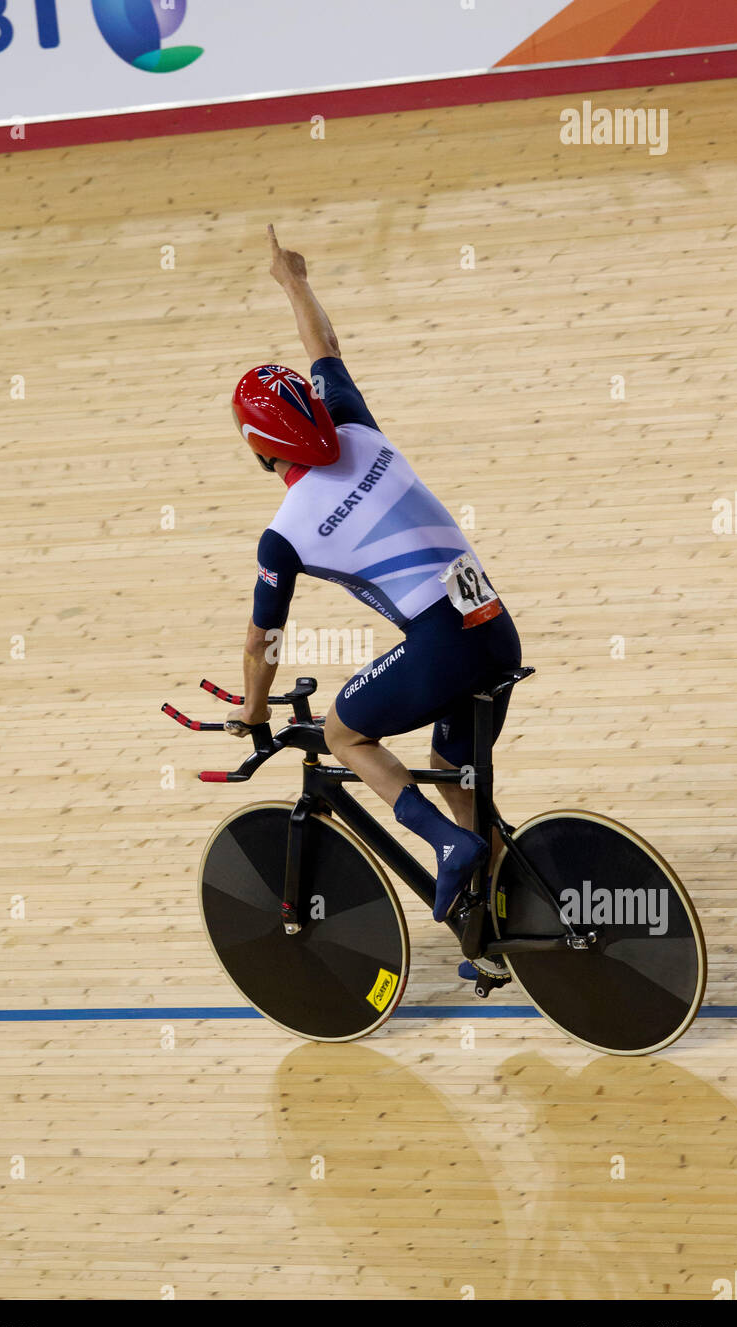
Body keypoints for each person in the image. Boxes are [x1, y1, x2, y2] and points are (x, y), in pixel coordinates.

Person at [228, 225, 522, 926]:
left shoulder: (284, 534)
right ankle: (516, 907)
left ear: (257, 450)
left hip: (445, 644)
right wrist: (293, 280)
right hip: (497, 629)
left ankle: (447, 845)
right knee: (458, 774)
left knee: (342, 733)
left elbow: (261, 642)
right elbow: (322, 349)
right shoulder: (356, 425)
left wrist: (253, 708)